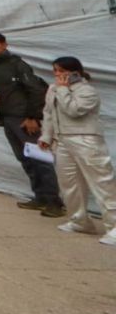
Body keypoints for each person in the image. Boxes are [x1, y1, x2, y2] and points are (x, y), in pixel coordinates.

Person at [0, 32, 64, 217]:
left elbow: (36, 91)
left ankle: (54, 203)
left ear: (4, 44)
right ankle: (40, 198)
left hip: (24, 121)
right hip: (8, 118)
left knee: (40, 160)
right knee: (25, 159)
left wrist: (32, 117)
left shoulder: (17, 65)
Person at [38, 57, 116, 245]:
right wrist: (46, 137)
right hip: (63, 140)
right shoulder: (53, 89)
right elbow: (48, 114)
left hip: (87, 139)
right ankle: (80, 220)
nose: (58, 75)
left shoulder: (87, 91)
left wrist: (63, 89)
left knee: (102, 183)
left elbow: (73, 110)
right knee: (69, 183)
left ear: (76, 72)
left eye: (62, 71)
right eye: (55, 71)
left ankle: (114, 225)